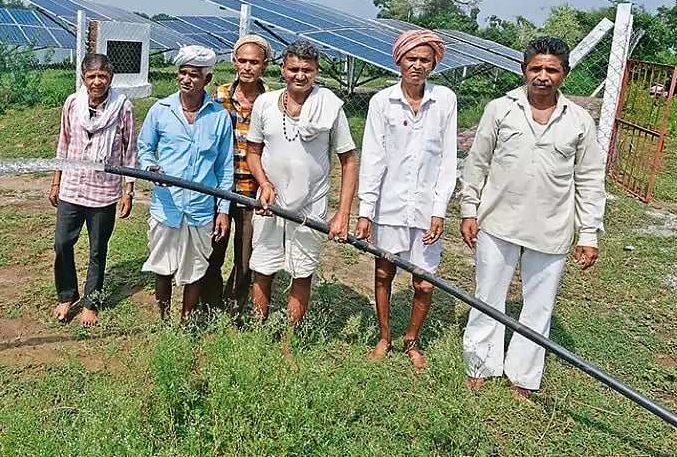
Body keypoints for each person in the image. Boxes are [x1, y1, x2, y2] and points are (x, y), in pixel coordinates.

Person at [459, 36, 606, 399]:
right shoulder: (500, 109)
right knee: (488, 294)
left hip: (552, 227)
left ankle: (523, 375)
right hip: (497, 220)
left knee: (539, 304)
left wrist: (588, 233)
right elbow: (477, 162)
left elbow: (590, 178)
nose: (543, 76)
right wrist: (468, 209)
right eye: (536, 68)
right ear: (524, 70)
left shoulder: (579, 120)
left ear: (565, 74)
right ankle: (480, 363)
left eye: (552, 70)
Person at [355, 30, 457, 370]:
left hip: (426, 208)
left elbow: (446, 160)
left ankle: (411, 339)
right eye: (411, 59)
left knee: (424, 281)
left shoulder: (444, 101)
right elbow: (373, 157)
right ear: (399, 61)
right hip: (389, 204)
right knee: (384, 272)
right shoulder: (382, 102)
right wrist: (366, 211)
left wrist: (439, 210)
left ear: (433, 64)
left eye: (424, 60)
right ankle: (384, 336)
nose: (417, 66)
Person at [246, 40, 358, 326]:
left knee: (302, 271)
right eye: (293, 69)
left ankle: (289, 338)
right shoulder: (265, 104)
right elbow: (254, 152)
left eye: (307, 70)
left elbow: (349, 161)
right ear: (282, 69)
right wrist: (264, 183)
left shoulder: (330, 106)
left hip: (311, 204)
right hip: (270, 203)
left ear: (316, 71)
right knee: (263, 266)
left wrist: (343, 213)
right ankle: (259, 333)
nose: (300, 75)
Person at [137, 45, 234, 321]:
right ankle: (163, 319)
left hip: (201, 209)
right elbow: (144, 148)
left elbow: (224, 167)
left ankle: (186, 320)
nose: (187, 79)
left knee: (195, 268)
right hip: (167, 206)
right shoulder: (161, 111)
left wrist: (223, 210)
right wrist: (150, 167)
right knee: (163, 265)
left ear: (207, 79)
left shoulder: (218, 117)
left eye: (194, 74)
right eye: (182, 73)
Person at [48, 54, 137, 327]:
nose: (97, 82)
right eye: (91, 76)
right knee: (62, 243)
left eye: (102, 76)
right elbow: (64, 143)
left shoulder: (122, 107)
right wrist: (56, 181)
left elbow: (129, 149)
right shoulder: (72, 104)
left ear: (110, 77)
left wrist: (128, 191)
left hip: (104, 190)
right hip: (72, 187)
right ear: (83, 78)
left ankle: (91, 302)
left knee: (98, 249)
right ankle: (67, 295)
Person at [201, 34, 272, 314]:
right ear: (233, 62)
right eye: (242, 60)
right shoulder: (218, 96)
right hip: (220, 189)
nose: (247, 67)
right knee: (212, 250)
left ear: (264, 65)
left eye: (254, 62)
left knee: (245, 256)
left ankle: (233, 307)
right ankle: (210, 304)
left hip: (252, 192)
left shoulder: (273, 101)